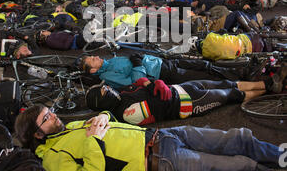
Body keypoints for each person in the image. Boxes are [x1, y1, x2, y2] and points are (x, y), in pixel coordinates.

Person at [14, 104, 283, 171]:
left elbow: (109, 120)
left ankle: (282, 157)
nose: (54, 116)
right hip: (160, 165)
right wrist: (94, 141)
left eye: (50, 111)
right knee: (242, 166)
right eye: (46, 118)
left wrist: (102, 116)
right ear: (37, 135)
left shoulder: (67, 128)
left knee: (237, 137)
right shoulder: (52, 159)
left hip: (163, 135)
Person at [85, 74, 286, 125]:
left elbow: (142, 82)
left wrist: (152, 83)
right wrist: (153, 86)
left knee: (228, 84)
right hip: (187, 104)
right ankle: (270, 90)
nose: (108, 88)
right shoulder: (126, 113)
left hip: (182, 89)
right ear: (103, 103)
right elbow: (159, 102)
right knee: (231, 95)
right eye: (104, 91)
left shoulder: (121, 94)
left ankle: (268, 83)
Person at [80, 52, 267, 90]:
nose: (97, 56)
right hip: (163, 74)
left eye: (94, 56)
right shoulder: (107, 76)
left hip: (163, 63)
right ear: (93, 70)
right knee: (204, 76)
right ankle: (244, 76)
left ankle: (242, 69)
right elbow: (133, 83)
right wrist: (137, 63)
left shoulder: (110, 62)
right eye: (93, 59)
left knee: (205, 65)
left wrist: (140, 57)